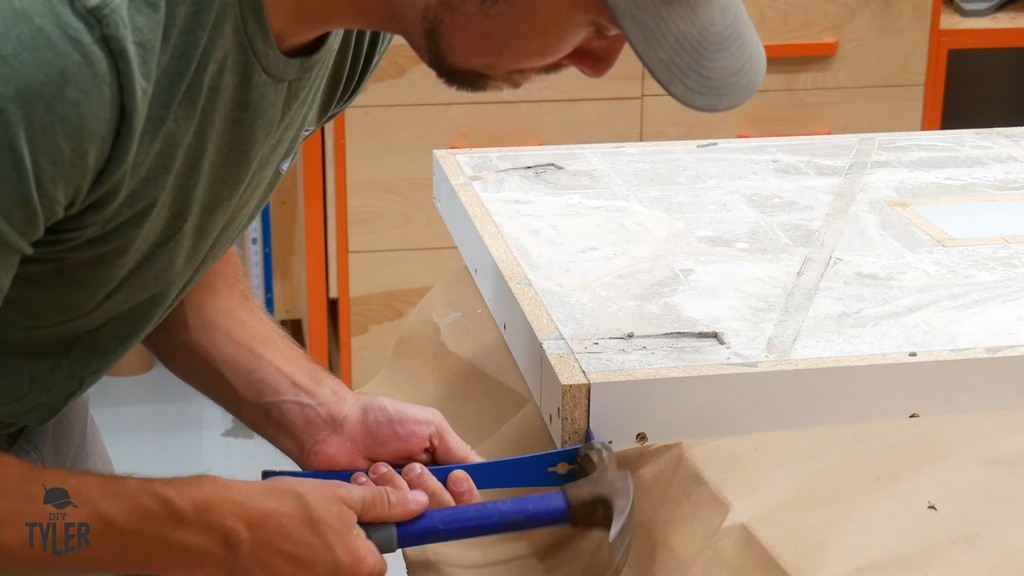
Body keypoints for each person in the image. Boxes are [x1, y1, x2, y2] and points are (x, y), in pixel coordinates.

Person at [0, 0, 766, 573]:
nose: (602, 62)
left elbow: (153, 217)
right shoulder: (48, 59)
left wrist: (317, 411)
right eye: (601, 17)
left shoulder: (350, 25)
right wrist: (216, 528)